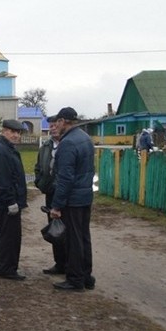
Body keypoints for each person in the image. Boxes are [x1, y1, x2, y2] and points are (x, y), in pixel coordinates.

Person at [48, 107, 96, 291]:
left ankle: (75, 279)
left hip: (73, 199)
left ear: (63, 121)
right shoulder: (85, 138)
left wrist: (57, 205)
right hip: (85, 196)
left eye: (57, 122)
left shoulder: (67, 143)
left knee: (73, 240)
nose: (56, 126)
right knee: (84, 237)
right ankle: (86, 276)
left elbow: (65, 178)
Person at [0, 119, 28, 280]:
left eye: (18, 133)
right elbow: (2, 180)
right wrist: (11, 201)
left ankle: (0, 265)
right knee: (10, 236)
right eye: (12, 132)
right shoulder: (1, 151)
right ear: (4, 131)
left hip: (7, 200)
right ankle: (7, 268)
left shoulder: (6, 149)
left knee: (4, 233)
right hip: (7, 202)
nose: (16, 135)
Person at [35, 117, 67, 275]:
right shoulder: (45, 147)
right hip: (50, 194)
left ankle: (70, 264)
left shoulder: (68, 144)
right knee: (54, 230)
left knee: (67, 229)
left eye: (55, 125)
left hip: (66, 195)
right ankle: (59, 263)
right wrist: (40, 183)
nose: (53, 128)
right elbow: (39, 167)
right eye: (50, 126)